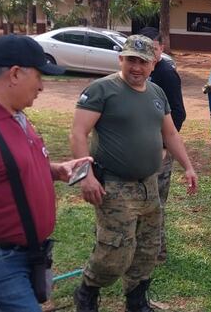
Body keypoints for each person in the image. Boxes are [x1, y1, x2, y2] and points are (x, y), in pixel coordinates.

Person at [0, 35, 92, 312]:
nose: (41, 86)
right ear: (15, 74)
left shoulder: (14, 116)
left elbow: (3, 169)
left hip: (20, 255)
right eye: (39, 76)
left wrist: (55, 171)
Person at [70, 35, 198, 312]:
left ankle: (136, 300)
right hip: (114, 186)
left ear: (153, 64)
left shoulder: (156, 93)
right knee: (114, 251)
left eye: (143, 61)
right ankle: (87, 291)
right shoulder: (102, 90)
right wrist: (85, 176)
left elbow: (171, 133)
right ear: (121, 60)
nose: (136, 67)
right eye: (131, 60)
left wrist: (188, 165)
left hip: (148, 185)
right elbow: (79, 133)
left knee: (147, 248)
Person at [138, 27, 186, 262]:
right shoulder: (140, 73)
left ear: (161, 48)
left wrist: (166, 145)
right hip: (140, 151)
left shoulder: (165, 73)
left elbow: (178, 112)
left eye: (153, 49)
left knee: (155, 203)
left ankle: (158, 252)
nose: (148, 54)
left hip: (160, 150)